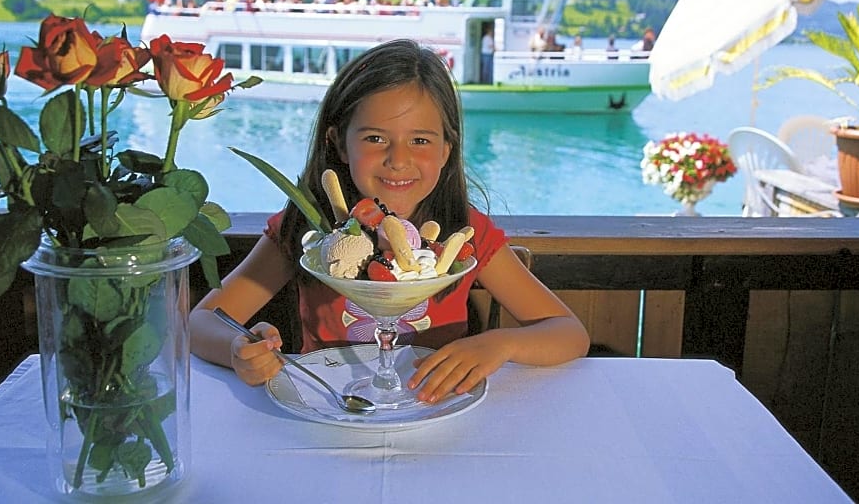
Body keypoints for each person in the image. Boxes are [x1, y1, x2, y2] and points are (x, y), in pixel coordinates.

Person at [189, 39, 590, 403]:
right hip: (335, 406)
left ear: (447, 150)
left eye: (420, 141)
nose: (398, 160)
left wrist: (499, 345)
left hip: (432, 406)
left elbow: (568, 333)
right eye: (375, 138)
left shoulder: (465, 232)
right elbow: (202, 321)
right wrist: (239, 350)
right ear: (338, 143)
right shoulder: (306, 232)